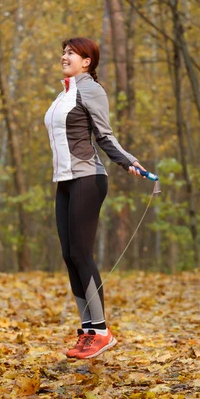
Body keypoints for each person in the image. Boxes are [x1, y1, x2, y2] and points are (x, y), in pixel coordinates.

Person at [44, 37, 146, 359]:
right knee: (69, 255)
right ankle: (87, 330)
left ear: (87, 61)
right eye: (64, 52)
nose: (64, 56)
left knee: (83, 254)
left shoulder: (91, 90)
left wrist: (128, 161)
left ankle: (101, 331)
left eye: (71, 53)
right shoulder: (64, 93)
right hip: (65, 182)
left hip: (88, 178)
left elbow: (104, 135)